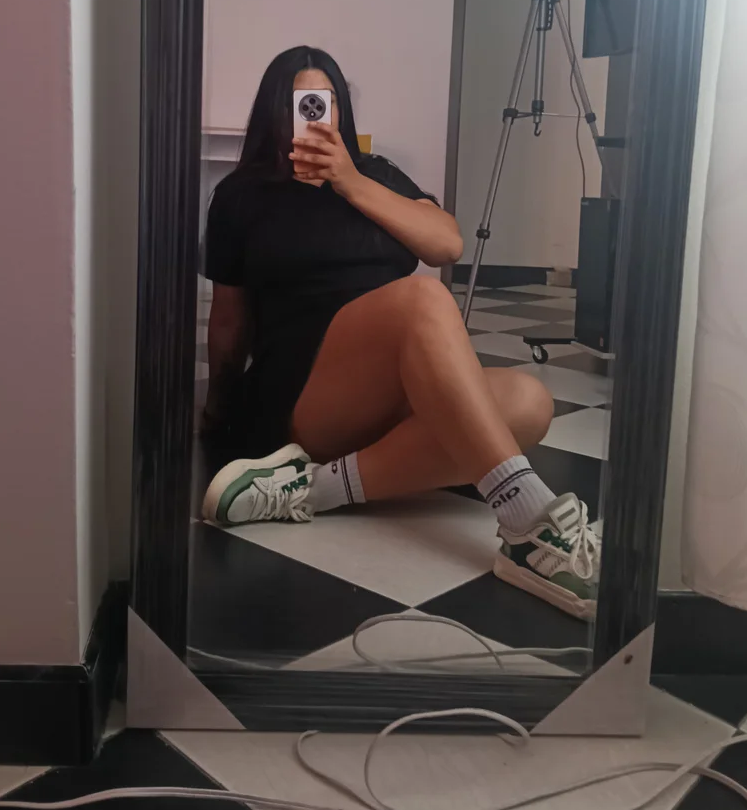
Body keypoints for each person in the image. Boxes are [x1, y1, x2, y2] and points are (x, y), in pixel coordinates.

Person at [201, 46, 599, 619]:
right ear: (274, 111)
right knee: (422, 299)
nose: (314, 115)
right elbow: (229, 317)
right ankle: (529, 522)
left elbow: (446, 244)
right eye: (300, 103)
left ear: (341, 110)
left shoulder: (377, 176)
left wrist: (349, 181)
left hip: (400, 390)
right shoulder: (242, 195)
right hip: (307, 391)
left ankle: (311, 488)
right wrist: (218, 410)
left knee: (530, 403)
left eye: (325, 102)